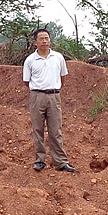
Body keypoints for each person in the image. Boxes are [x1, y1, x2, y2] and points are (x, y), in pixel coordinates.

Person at [22, 28, 75, 172]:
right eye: (41, 39)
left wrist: (54, 89)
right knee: (38, 129)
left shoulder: (58, 57)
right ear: (35, 42)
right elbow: (26, 81)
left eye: (47, 38)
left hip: (54, 96)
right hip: (37, 96)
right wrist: (39, 89)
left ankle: (61, 162)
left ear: (50, 40)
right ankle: (40, 160)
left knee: (55, 129)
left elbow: (63, 77)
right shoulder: (30, 60)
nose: (44, 41)